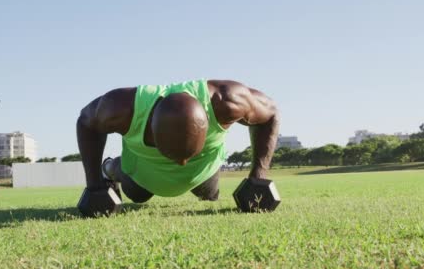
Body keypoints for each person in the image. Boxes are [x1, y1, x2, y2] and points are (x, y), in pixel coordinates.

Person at [77, 79, 279, 204]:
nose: (180, 164)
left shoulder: (227, 101)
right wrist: (95, 184)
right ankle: (108, 168)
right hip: (143, 176)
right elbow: (86, 123)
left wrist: (258, 177)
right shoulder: (120, 108)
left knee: (210, 196)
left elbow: (270, 113)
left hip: (202, 174)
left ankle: (201, 177)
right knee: (137, 195)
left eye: (188, 154)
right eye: (172, 154)